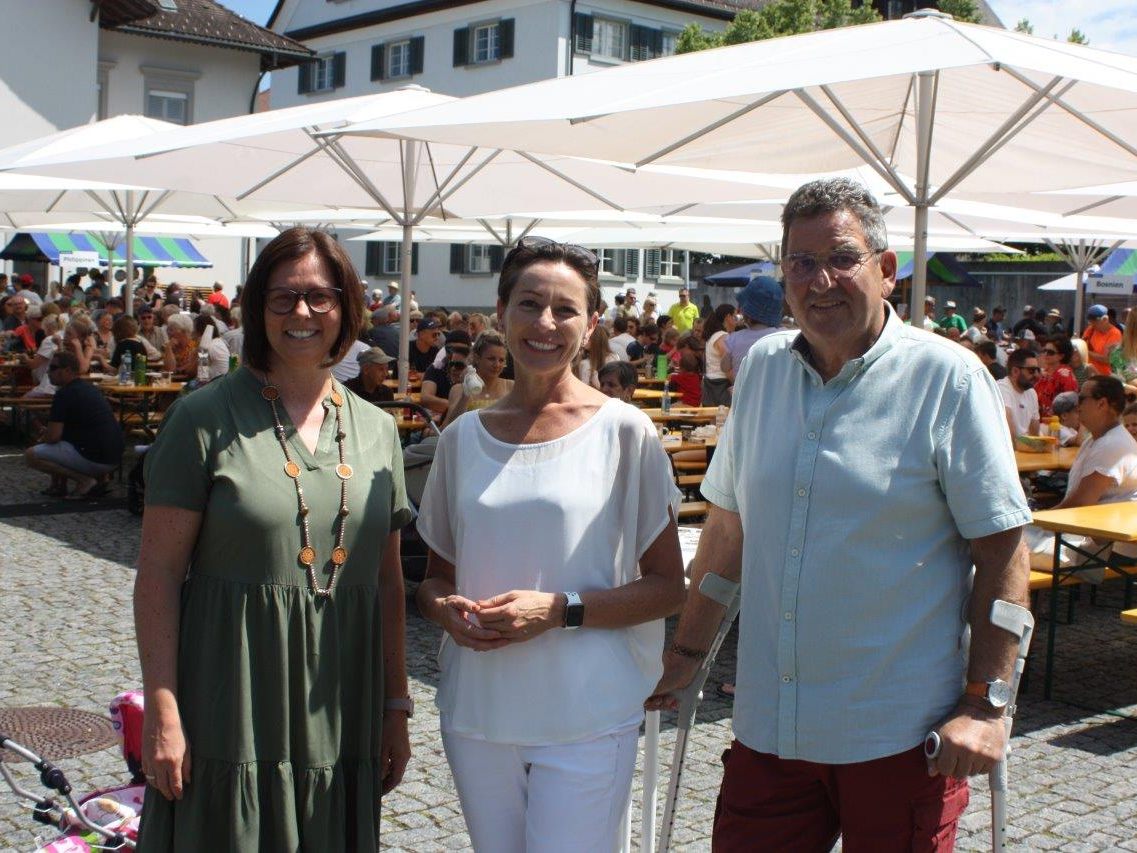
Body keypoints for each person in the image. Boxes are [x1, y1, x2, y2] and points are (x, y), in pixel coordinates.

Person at [647, 178, 1031, 850]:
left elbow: (1000, 546)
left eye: (841, 258)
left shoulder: (947, 378)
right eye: (799, 262)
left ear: (884, 270)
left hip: (897, 733)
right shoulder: (762, 368)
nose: (818, 280)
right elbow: (729, 530)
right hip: (770, 727)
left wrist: (985, 704)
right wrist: (685, 650)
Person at [132, 227, 412, 850]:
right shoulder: (203, 418)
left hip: (342, 701)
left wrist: (397, 708)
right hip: (230, 694)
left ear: (347, 307)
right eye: (283, 298)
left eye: (320, 296)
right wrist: (163, 707)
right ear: (258, 308)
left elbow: (389, 582)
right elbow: (156, 574)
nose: (303, 313)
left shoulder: (376, 429)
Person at [415, 236, 684, 852]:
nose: (545, 323)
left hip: (587, 714)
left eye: (565, 309)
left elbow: (669, 587)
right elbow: (433, 578)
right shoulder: (464, 438)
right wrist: (443, 611)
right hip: (480, 712)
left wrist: (560, 610)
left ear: (591, 326)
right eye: (529, 304)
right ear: (501, 312)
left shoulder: (625, 432)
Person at [24, 350, 123, 499]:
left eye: (53, 368)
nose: (48, 372)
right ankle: (60, 486)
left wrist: (44, 434)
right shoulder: (90, 388)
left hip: (95, 459)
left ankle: (85, 481)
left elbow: (53, 437)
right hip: (114, 457)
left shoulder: (64, 395)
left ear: (68, 370)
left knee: (31, 455)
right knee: (59, 446)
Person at [441, 331, 511, 429]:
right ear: (477, 358)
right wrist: (465, 396)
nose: (497, 365)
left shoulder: (511, 386)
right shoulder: (458, 389)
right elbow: (449, 428)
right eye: (491, 359)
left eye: (501, 360)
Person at [722, 275, 783, 381]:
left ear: (745, 312)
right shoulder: (783, 337)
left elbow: (724, 367)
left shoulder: (735, 338)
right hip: (774, 395)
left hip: (743, 395)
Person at [998, 349, 1041, 439]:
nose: (1037, 375)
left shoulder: (1031, 393)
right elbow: (1007, 431)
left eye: (1038, 370)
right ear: (1015, 371)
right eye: (1032, 370)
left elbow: (1035, 434)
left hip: (1024, 448)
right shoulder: (1001, 388)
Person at [701, 303, 736, 407]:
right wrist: (736, 383)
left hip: (710, 383)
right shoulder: (722, 336)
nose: (736, 320)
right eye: (735, 316)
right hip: (721, 385)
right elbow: (727, 366)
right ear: (728, 317)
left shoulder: (714, 335)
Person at [1035, 336, 1079, 416]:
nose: (1046, 354)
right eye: (1044, 351)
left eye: (1050, 352)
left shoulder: (1064, 375)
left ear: (1061, 356)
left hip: (1057, 424)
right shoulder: (1044, 373)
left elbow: (1070, 405)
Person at [1082, 304, 1122, 377]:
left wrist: (1084, 351)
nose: (1092, 324)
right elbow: (1081, 345)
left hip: (1104, 377)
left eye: (1094, 321)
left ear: (1105, 319)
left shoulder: (1115, 333)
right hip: (1088, 375)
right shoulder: (1091, 329)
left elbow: (1107, 359)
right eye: (1090, 321)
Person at [577, 324, 618, 389]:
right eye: (584, 336)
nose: (584, 339)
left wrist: (593, 374)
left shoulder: (612, 357)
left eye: (588, 337)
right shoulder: (583, 358)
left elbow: (612, 384)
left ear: (597, 339)